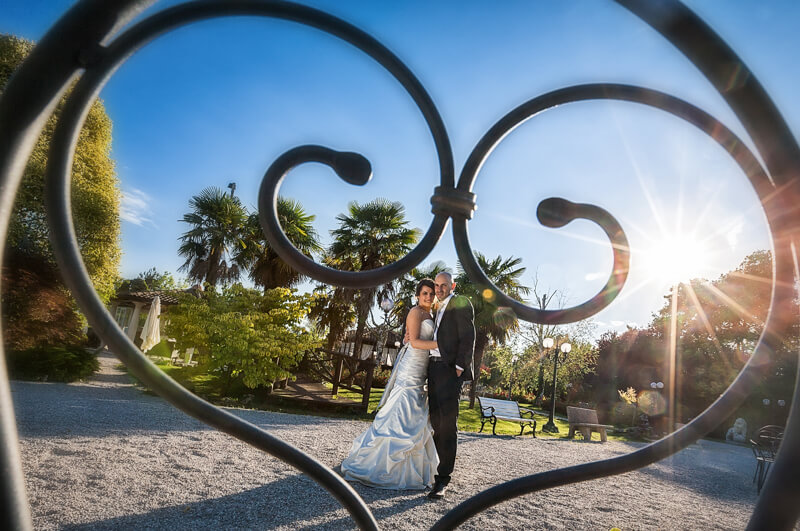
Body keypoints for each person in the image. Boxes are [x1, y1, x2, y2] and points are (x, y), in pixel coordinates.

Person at [340, 279, 439, 490]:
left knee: (416, 409)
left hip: (423, 366)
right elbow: (413, 342)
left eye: (431, 293)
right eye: (424, 293)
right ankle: (380, 465)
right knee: (402, 403)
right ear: (417, 295)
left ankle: (414, 467)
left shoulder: (432, 314)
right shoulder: (415, 312)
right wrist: (442, 345)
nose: (428, 297)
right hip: (412, 363)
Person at [426, 271, 475, 500]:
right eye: (437, 285)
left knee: (447, 425)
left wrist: (459, 367)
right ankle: (436, 470)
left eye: (444, 285)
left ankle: (443, 479)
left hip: (449, 370)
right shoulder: (435, 307)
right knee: (435, 421)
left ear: (452, 285)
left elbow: (468, 337)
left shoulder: (461, 303)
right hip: (433, 368)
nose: (439, 289)